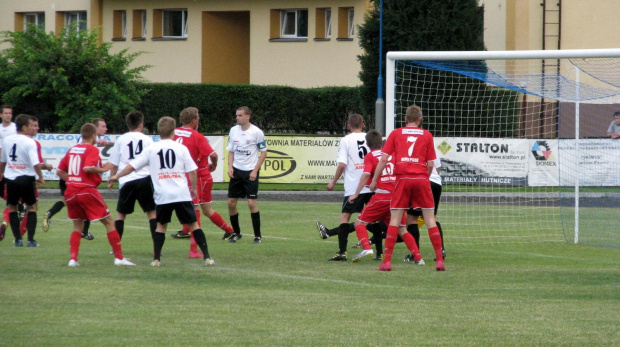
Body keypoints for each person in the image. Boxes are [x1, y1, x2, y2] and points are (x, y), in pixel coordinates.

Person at [109, 116, 215, 267]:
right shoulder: (181, 148)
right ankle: (207, 257)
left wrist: (117, 175)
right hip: (181, 193)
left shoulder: (152, 149)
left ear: (158, 131)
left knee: (161, 226)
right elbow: (192, 171)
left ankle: (156, 259)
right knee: (193, 225)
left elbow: (133, 166)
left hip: (163, 196)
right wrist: (193, 189)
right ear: (174, 131)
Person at [370, 105, 445, 272]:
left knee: (395, 219)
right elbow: (431, 163)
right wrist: (424, 178)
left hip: (402, 179)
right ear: (420, 119)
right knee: (430, 219)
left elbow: (383, 159)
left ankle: (387, 262)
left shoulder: (396, 133)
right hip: (421, 178)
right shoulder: (427, 135)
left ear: (405, 119)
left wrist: (375, 180)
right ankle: (439, 260)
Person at [57, 123, 134, 266]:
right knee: (109, 222)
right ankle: (119, 258)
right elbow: (88, 167)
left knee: (77, 226)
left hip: (71, 191)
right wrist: (103, 169)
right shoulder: (91, 149)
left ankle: (73, 259)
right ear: (93, 135)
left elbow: (59, 171)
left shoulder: (73, 149)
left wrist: (74, 180)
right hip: (86, 191)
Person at [349, 130, 423, 264]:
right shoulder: (393, 155)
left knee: (359, 223)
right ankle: (418, 257)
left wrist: (356, 193)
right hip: (397, 197)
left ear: (367, 144)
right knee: (402, 229)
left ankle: (367, 248)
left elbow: (366, 174)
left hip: (382, 196)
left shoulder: (370, 156)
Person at [171, 107, 235, 257]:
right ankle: (229, 230)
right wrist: (214, 165)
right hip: (198, 176)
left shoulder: (174, 133)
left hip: (196, 177)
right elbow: (213, 155)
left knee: (197, 208)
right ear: (194, 120)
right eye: (198, 119)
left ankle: (193, 247)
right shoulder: (196, 136)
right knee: (204, 209)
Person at [42, 118, 113, 238]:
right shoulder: (87, 144)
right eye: (103, 126)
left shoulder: (86, 141)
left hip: (72, 176)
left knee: (71, 201)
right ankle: (83, 231)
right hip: (74, 176)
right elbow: (87, 166)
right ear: (95, 130)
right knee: (86, 201)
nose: (105, 129)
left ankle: (51, 214)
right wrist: (103, 169)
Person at [316, 113, 373, 261]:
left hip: (355, 186)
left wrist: (333, 182)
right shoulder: (370, 138)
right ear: (363, 124)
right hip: (372, 185)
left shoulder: (346, 140)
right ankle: (379, 253)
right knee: (374, 219)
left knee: (345, 217)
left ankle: (342, 252)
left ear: (348, 126)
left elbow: (342, 164)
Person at [106, 111, 157, 249]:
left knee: (121, 215)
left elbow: (114, 164)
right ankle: (156, 247)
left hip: (126, 180)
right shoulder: (147, 140)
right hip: (145, 179)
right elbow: (153, 160)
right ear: (141, 124)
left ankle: (115, 248)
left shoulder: (121, 140)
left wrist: (112, 178)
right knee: (151, 213)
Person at [0, 114, 46, 247]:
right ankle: (31, 240)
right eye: (30, 125)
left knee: (12, 208)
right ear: (24, 127)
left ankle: (18, 240)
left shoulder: (7, 140)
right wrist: (40, 177)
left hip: (11, 179)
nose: (32, 128)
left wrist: (1, 174)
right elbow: (35, 163)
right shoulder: (29, 141)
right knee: (32, 207)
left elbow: (2, 161)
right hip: (26, 178)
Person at [226, 106, 267, 244]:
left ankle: (257, 236)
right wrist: (230, 167)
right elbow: (231, 151)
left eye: (240, 115)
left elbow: (264, 153)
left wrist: (255, 170)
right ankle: (237, 233)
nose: (237, 118)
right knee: (231, 203)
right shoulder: (233, 130)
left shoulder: (257, 132)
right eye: (236, 115)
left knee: (251, 203)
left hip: (250, 171)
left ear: (248, 116)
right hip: (236, 171)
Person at [404, 157, 446, 262]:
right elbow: (437, 167)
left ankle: (415, 254)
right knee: (432, 218)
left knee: (411, 218)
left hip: (422, 181)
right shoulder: (432, 148)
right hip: (436, 183)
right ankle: (440, 251)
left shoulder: (412, 145)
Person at [0, 105, 17, 241]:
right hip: (4, 166)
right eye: (5, 113)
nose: (8, 115)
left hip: (13, 167)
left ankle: (5, 223)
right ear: (1, 115)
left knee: (10, 199)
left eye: (10, 113)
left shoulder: (16, 128)